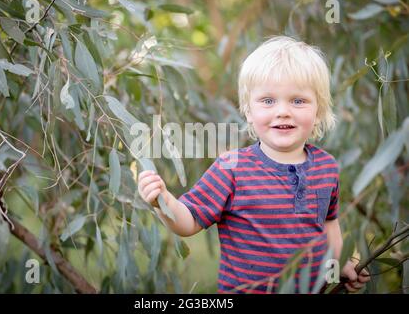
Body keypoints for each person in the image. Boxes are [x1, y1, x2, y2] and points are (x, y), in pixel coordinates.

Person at [137, 36, 370, 294]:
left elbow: (328, 224)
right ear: (248, 110)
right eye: (268, 101)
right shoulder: (232, 169)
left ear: (319, 110)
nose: (283, 111)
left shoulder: (326, 167)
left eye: (298, 101)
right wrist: (164, 202)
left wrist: (341, 263)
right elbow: (189, 221)